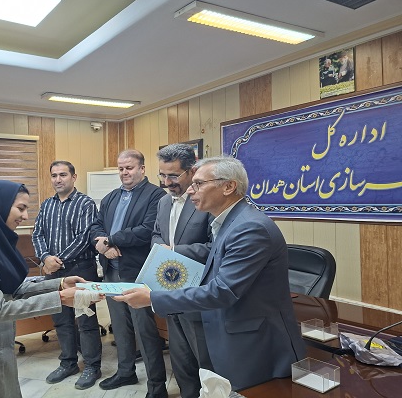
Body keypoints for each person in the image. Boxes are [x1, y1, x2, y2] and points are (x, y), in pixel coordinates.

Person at [115, 156, 306, 391]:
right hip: (229, 331)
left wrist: (153, 298)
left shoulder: (249, 228)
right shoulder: (227, 223)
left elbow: (222, 291)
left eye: (198, 184)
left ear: (228, 186)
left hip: (255, 344)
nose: (190, 190)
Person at [0, 180, 101, 398]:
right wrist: (61, 298)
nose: (25, 216)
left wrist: (60, 283)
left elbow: (13, 289)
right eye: (21, 208)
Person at [90, 149, 168, 398]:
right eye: (121, 168)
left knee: (144, 331)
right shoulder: (111, 197)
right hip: (111, 271)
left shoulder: (156, 195)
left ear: (142, 169)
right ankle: (126, 372)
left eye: (129, 168)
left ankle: (156, 386)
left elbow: (147, 230)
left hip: (137, 273)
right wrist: (102, 243)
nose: (124, 172)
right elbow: (96, 226)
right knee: (120, 328)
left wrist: (111, 240)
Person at [32, 161, 103, 390]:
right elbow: (37, 234)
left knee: (86, 320)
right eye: (54, 175)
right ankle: (68, 363)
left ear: (74, 177)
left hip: (81, 269)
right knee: (61, 321)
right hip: (54, 272)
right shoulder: (47, 205)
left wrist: (56, 260)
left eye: (63, 174)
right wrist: (45, 258)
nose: (58, 179)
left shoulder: (85, 203)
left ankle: (92, 366)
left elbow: (84, 237)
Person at [152, 144, 213, 398]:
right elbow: (157, 234)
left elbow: (216, 247)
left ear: (192, 171)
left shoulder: (207, 202)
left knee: (205, 362)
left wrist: (175, 250)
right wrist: (160, 249)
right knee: (181, 361)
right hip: (171, 291)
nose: (167, 183)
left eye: (173, 176)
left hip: (199, 295)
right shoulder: (163, 202)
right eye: (162, 175)